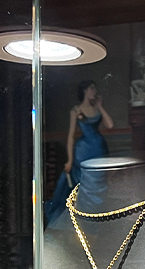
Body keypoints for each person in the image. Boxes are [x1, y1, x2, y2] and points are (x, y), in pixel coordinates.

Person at [44, 80, 113, 224]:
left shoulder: (96, 108)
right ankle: (85, 220)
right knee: (85, 184)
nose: (94, 91)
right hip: (84, 151)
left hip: (99, 149)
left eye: (94, 89)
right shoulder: (76, 110)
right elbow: (70, 136)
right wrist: (70, 160)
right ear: (85, 91)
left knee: (100, 184)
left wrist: (100, 106)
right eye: (92, 89)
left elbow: (110, 125)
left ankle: (97, 220)